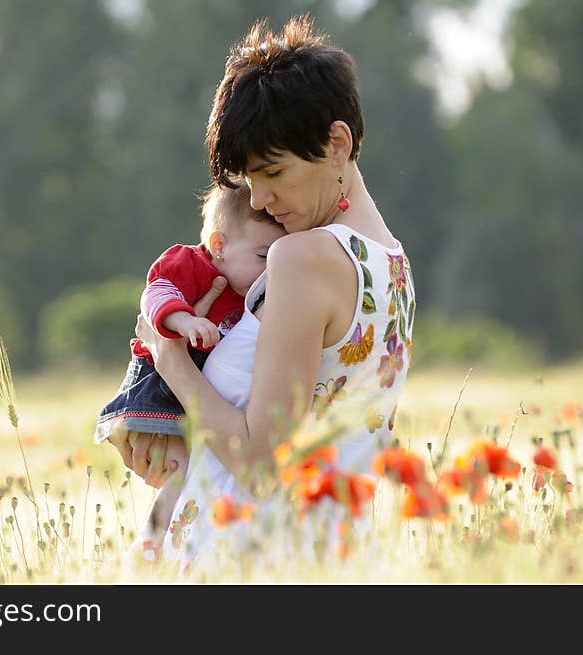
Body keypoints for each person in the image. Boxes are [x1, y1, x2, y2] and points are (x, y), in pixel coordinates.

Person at [111, 14, 417, 576]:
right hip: (335, 555)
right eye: (248, 178)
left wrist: (171, 361)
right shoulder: (393, 265)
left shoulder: (301, 260)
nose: (260, 198)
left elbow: (259, 462)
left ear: (336, 143)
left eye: (272, 172)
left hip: (249, 557)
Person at [94, 182, 286, 557]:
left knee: (186, 468)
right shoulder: (192, 263)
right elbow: (156, 293)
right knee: (179, 468)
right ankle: (149, 543)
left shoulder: (248, 289)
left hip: (188, 386)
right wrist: (183, 322)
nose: (271, 269)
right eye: (263, 256)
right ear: (219, 246)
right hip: (157, 386)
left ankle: (156, 543)